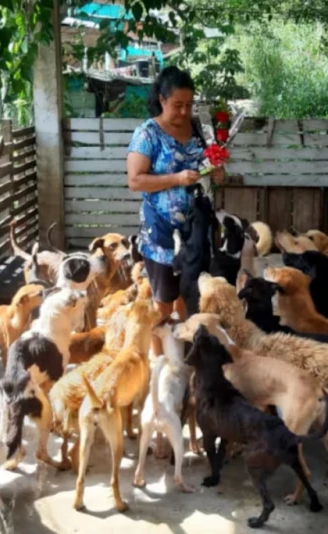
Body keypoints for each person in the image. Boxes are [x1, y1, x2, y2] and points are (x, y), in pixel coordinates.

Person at [126, 66, 225, 351]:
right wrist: (176, 179)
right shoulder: (147, 134)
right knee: (163, 299)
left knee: (190, 292)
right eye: (177, 105)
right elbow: (134, 180)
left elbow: (209, 164)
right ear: (162, 99)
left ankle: (184, 351)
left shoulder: (197, 130)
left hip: (194, 229)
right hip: (162, 231)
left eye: (189, 105)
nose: (184, 112)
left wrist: (217, 174)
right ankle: (160, 360)